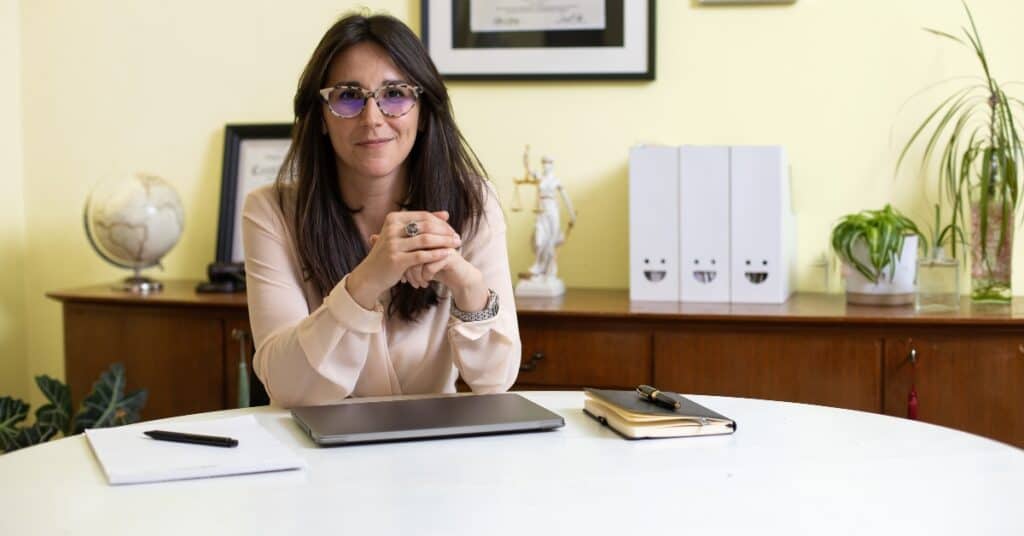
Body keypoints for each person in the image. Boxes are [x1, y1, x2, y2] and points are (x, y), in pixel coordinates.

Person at [242, 13, 520, 408]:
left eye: (395, 94)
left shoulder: (474, 203)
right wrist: (368, 280)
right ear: (321, 117)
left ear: (423, 111)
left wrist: (467, 284)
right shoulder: (272, 212)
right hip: (316, 456)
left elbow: (496, 381)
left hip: (431, 452)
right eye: (348, 96)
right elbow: (287, 388)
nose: (372, 119)